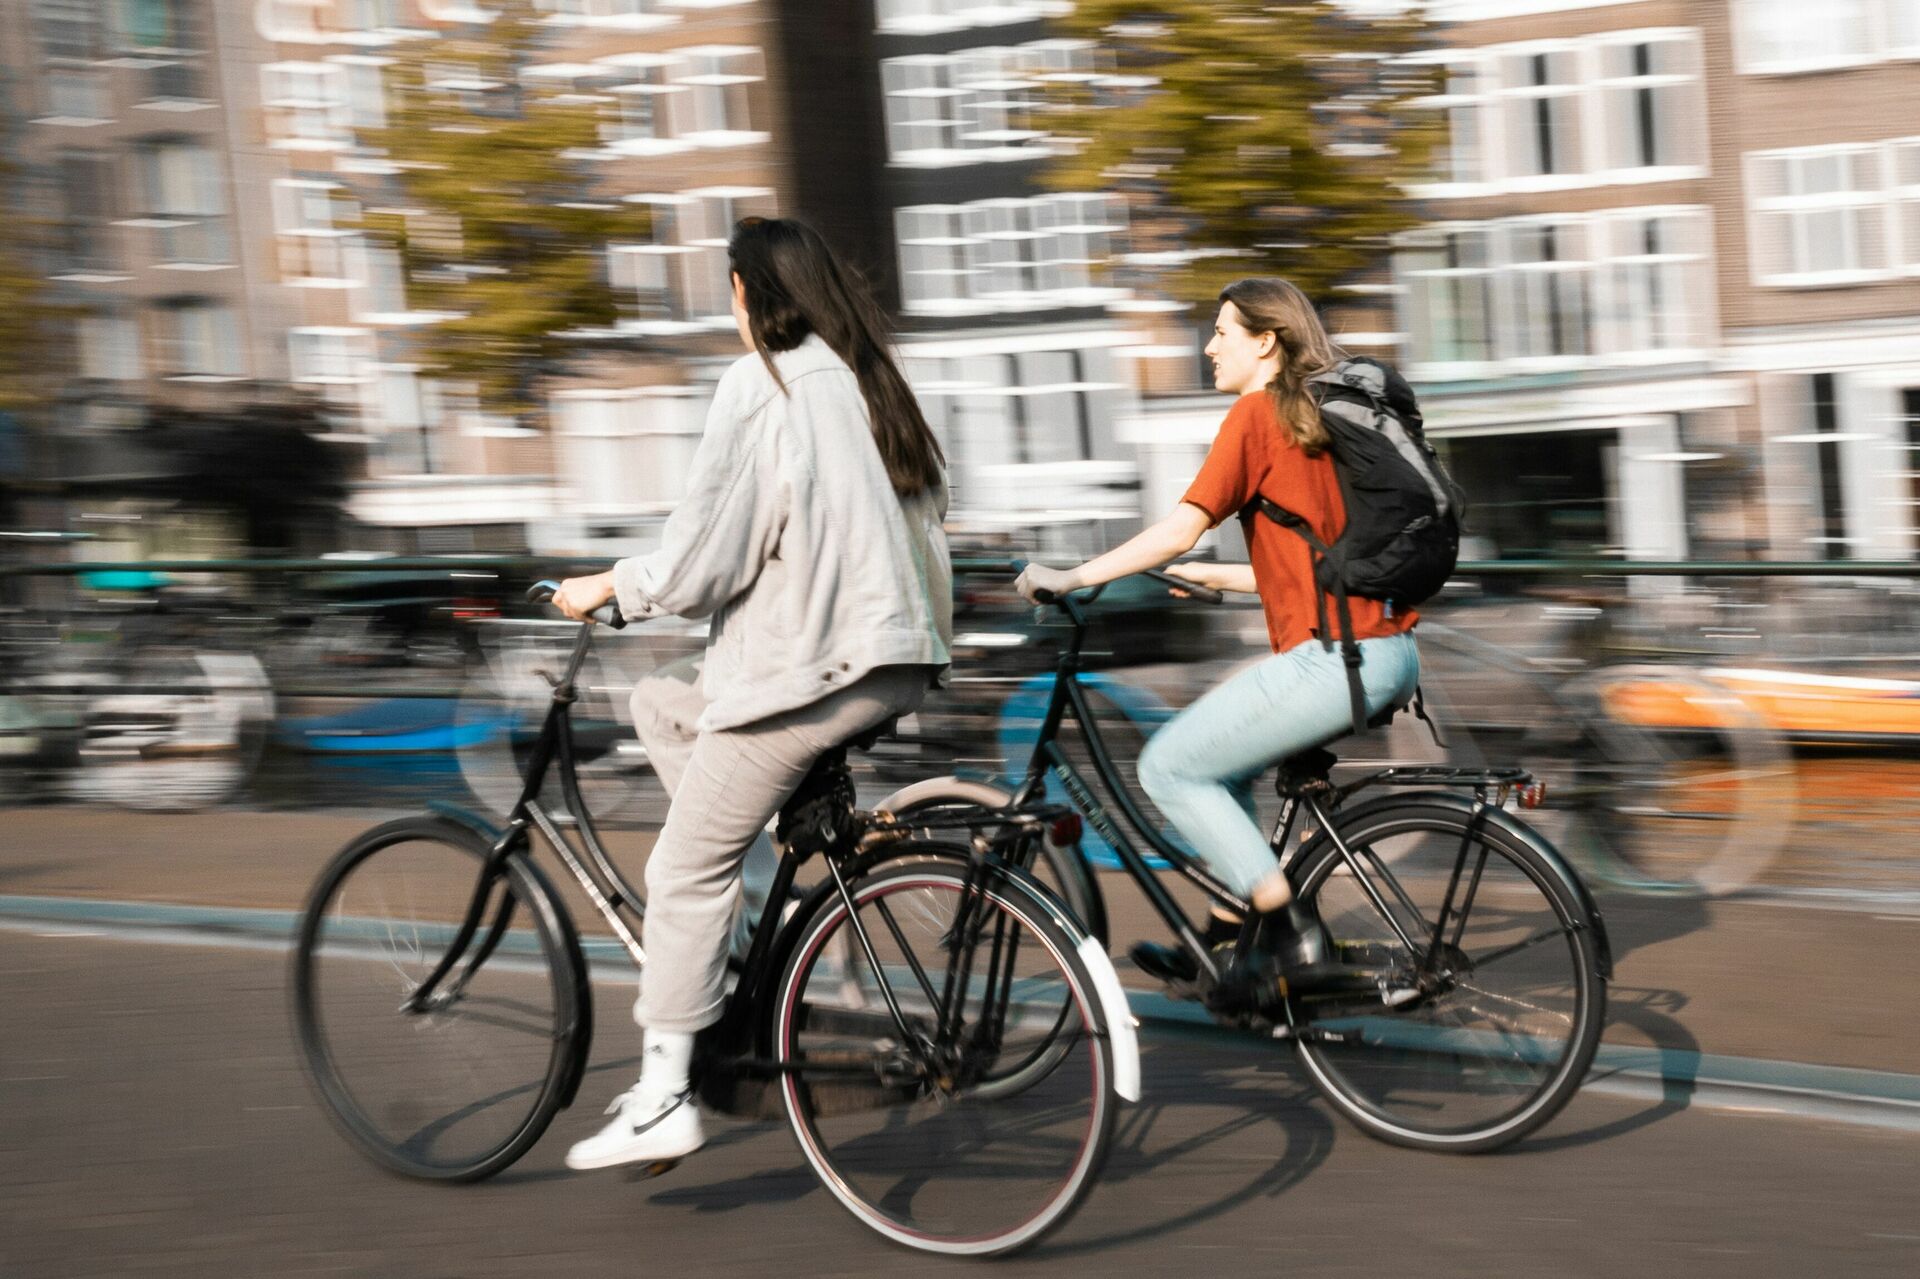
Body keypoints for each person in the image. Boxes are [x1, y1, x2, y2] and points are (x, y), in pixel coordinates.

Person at [550, 216, 953, 1172]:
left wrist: (612, 587)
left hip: (809, 670)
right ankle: (762, 909)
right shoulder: (870, 380)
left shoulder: (764, 382)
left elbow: (701, 560)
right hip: (893, 660)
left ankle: (662, 1099)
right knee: (664, 703)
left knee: (681, 872)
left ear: (746, 292)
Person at [1015, 277, 1420, 995]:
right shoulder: (1318, 427)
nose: (1208, 345)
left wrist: (1071, 575)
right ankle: (1226, 939)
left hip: (1334, 660)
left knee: (1168, 768)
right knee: (1222, 770)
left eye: (1223, 331)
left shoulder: (1255, 415)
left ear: (1266, 342)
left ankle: (1296, 938)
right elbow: (1314, 566)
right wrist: (1221, 579)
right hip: (1385, 650)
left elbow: (1178, 526)